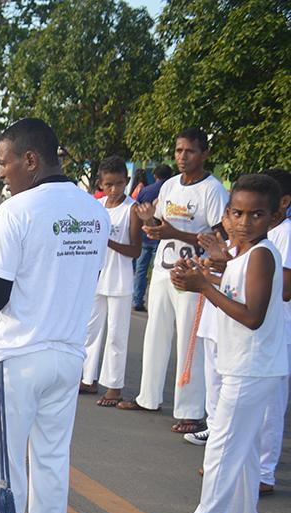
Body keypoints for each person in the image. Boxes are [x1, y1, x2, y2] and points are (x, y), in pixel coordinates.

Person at [0, 118, 109, 513]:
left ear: (31, 159)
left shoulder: (17, 211)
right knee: (52, 462)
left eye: (4, 162)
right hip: (69, 355)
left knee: (4, 463)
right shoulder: (95, 212)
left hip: (20, 357)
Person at [152, 174, 287, 513]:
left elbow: (253, 316)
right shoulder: (242, 255)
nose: (245, 222)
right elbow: (230, 289)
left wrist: (203, 287)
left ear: (274, 216)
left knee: (223, 451)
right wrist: (198, 277)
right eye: (237, 212)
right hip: (244, 365)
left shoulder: (262, 254)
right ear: (226, 215)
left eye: (256, 214)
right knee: (241, 454)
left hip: (251, 367)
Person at [117, 129, 228, 435]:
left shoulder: (213, 190)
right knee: (155, 334)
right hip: (164, 270)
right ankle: (148, 397)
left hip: (194, 275)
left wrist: (173, 233)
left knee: (189, 342)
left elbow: (220, 237)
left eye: (189, 151)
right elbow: (160, 228)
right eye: (178, 151)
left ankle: (190, 411)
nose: (182, 157)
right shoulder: (168, 186)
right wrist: (150, 222)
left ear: (204, 154)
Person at [79, 156, 141, 407]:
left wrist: (107, 241)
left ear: (126, 182)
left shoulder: (132, 209)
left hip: (120, 279)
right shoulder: (97, 205)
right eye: (109, 184)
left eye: (119, 183)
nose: (114, 189)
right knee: (91, 330)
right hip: (96, 277)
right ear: (100, 184)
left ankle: (114, 386)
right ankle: (88, 377)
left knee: (117, 334)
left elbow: (135, 250)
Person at [258, 167, 291, 494]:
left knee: (271, 405)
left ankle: (265, 472)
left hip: (281, 330)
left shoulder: (286, 234)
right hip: (262, 333)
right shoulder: (263, 237)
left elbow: (285, 289)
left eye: (259, 211)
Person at [132, 164, 173, 311]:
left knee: (141, 270)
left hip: (144, 235)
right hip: (162, 238)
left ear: (155, 176)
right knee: (158, 273)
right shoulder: (170, 191)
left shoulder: (145, 190)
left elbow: (136, 208)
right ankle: (157, 305)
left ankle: (137, 300)